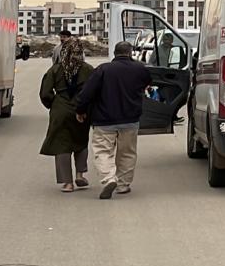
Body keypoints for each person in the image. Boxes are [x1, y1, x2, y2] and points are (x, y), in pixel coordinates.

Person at [75, 41, 153, 199]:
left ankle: (109, 179)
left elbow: (87, 93)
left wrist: (81, 110)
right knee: (127, 153)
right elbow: (148, 84)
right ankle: (123, 185)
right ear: (130, 53)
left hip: (104, 120)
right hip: (130, 119)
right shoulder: (140, 69)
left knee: (103, 151)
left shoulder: (103, 69)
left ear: (114, 53)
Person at [39, 38, 93, 193]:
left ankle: (68, 184)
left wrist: (53, 105)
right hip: (81, 110)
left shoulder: (55, 70)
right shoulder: (88, 69)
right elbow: (94, 91)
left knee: (62, 145)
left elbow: (45, 93)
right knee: (81, 141)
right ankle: (80, 174)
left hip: (60, 110)